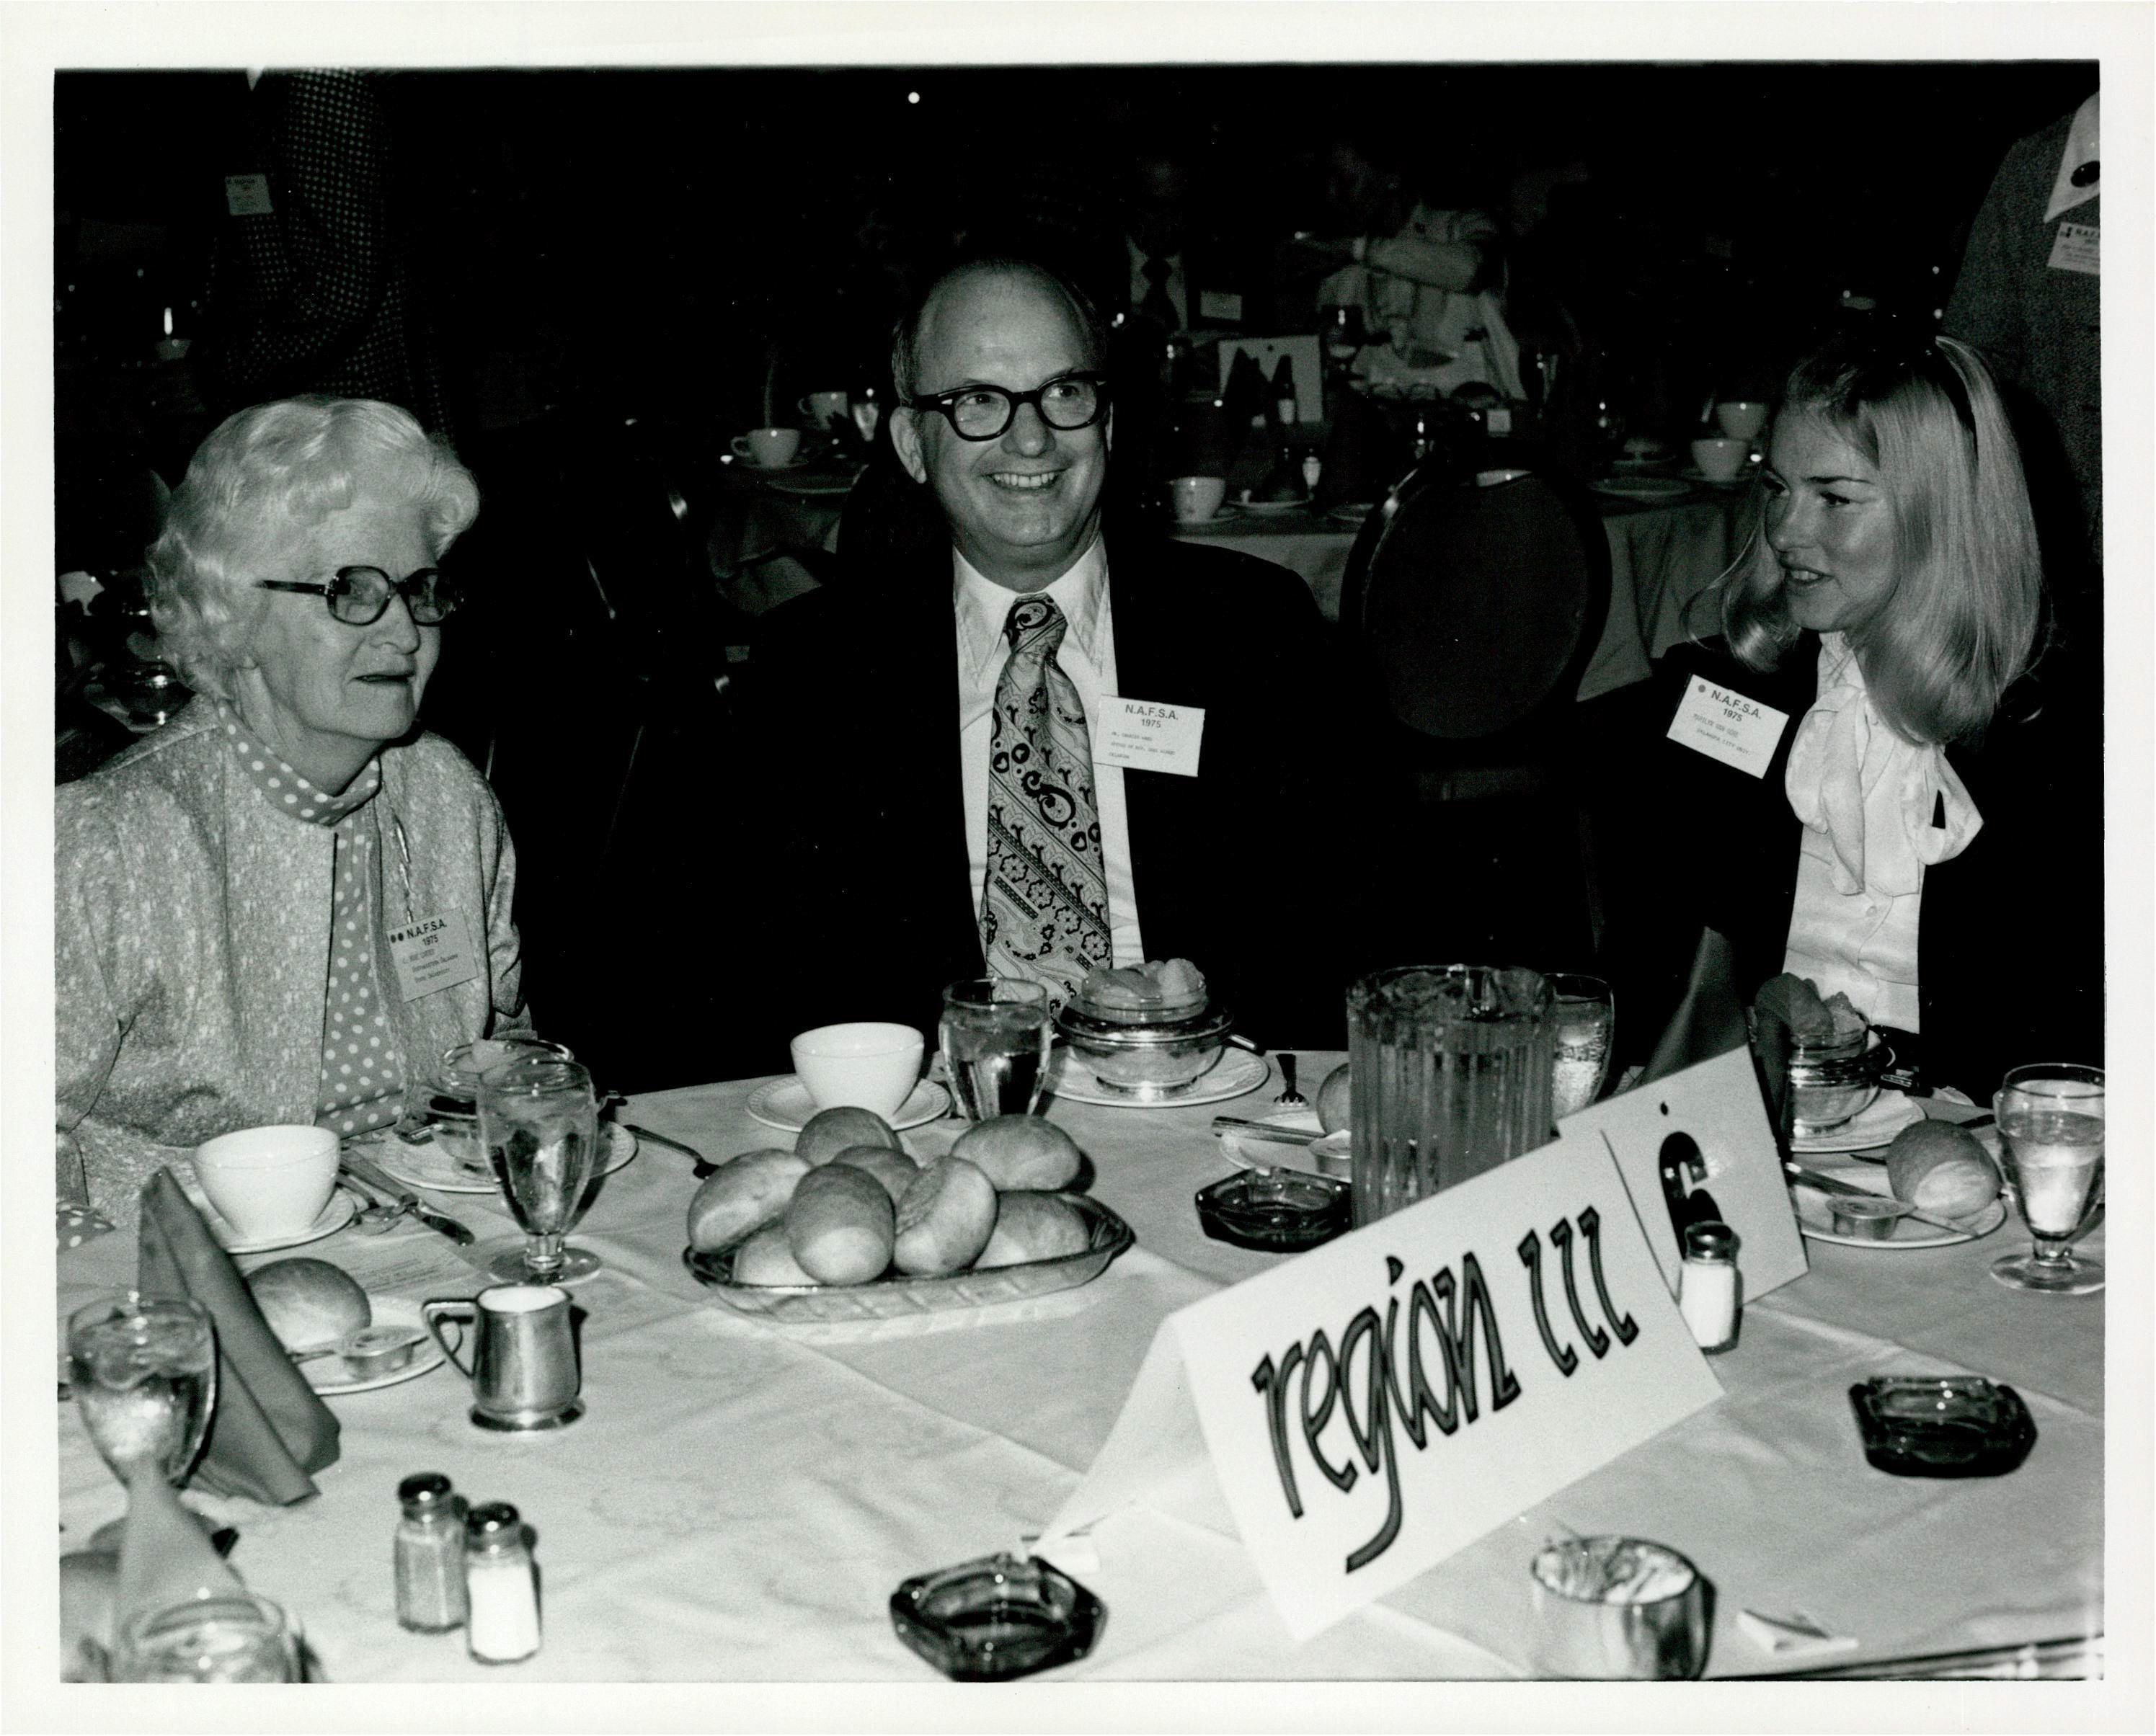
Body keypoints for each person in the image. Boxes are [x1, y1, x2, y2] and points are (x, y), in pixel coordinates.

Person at [743, 257, 1370, 1054]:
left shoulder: (1255, 629)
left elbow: (1341, 930)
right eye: (977, 400)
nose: (1031, 436)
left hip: (1200, 1092)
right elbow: (780, 971)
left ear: (1107, 422)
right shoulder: (814, 667)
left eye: (1065, 392)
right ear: (911, 443)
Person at [56, 397, 529, 1226]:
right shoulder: (112, 840)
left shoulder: (449, 799)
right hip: (188, 1273)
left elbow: (506, 1050)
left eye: (421, 592)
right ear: (232, 614)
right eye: (352, 592)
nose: (404, 635)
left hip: (432, 1235)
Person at [1622, 328, 2098, 1103]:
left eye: (1834, 498)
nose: (1784, 532)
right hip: (1764, 1109)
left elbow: (2070, 1027)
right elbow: (1662, 974)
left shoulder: (2058, 729)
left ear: (1944, 513)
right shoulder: (1729, 693)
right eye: (1776, 488)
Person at [1303, 138, 1524, 401]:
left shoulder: (1461, 227)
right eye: (1327, 182)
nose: (1332, 194)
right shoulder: (1344, 270)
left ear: (1392, 177)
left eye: (1346, 181)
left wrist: (1360, 250)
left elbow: (1471, 270)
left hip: (1477, 423)